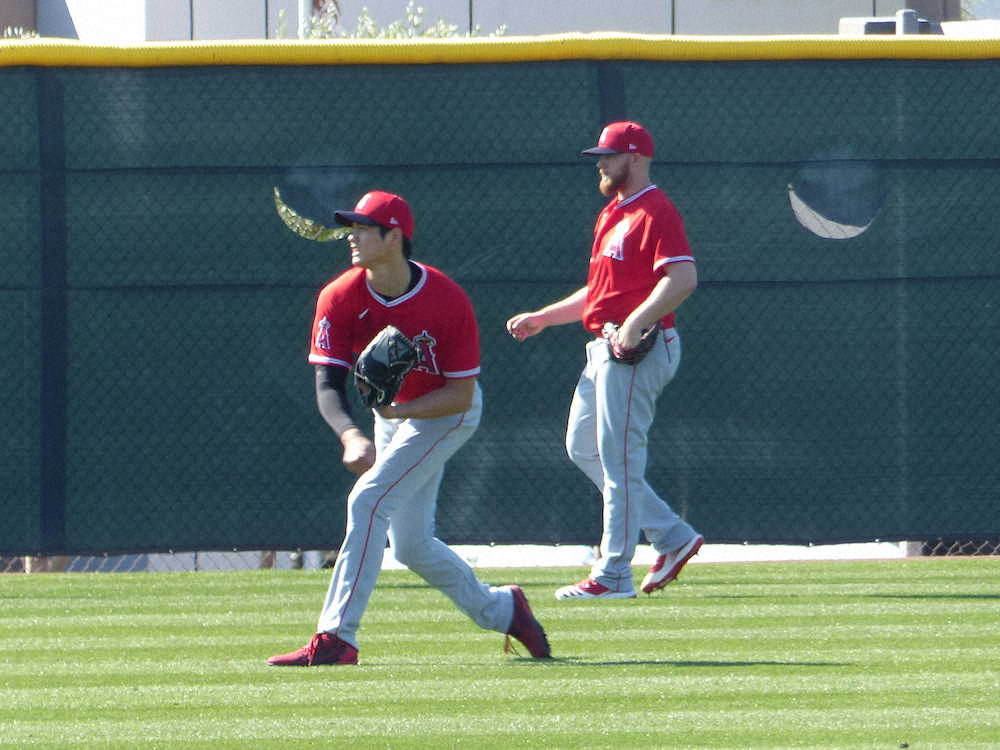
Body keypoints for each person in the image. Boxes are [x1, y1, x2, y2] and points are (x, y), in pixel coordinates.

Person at [268, 190, 551, 665]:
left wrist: (395, 415)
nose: (351, 236)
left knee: (368, 500)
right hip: (394, 414)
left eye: (362, 227)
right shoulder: (339, 296)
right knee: (413, 544)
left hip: (447, 412)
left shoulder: (445, 298)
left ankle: (337, 638)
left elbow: (460, 394)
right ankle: (504, 610)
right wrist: (350, 433)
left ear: (393, 236)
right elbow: (327, 382)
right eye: (350, 227)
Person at [506, 121, 704, 600]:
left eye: (608, 155)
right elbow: (599, 293)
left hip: (638, 348)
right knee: (583, 447)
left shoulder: (656, 210)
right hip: (605, 347)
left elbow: (682, 279)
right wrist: (543, 317)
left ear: (634, 158)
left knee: (619, 462)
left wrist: (636, 323)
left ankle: (613, 572)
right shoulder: (612, 213)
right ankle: (673, 536)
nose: (600, 162)